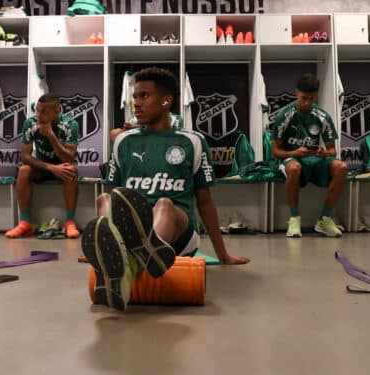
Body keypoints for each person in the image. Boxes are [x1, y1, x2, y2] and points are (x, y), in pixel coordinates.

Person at [81, 67, 250, 311]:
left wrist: (223, 254)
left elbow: (204, 200)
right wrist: (100, 244)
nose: (136, 104)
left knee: (164, 205)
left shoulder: (191, 141)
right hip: (133, 227)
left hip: (178, 232)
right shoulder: (123, 141)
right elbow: (118, 200)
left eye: (144, 96)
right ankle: (119, 255)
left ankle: (125, 264)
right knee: (105, 199)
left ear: (165, 101)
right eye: (135, 97)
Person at [271, 73, 348, 238]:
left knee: (341, 167)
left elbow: (332, 151)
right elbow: (275, 151)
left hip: (315, 160)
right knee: (294, 167)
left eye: (311, 98)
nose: (307, 102)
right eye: (303, 98)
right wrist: (294, 153)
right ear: (296, 93)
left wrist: (324, 153)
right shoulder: (284, 115)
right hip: (291, 159)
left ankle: (324, 219)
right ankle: (294, 219)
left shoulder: (322, 116)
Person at [5, 93, 81, 239]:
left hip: (63, 166)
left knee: (71, 170)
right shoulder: (30, 123)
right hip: (43, 168)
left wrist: (50, 135)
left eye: (44, 112)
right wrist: (51, 168)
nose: (39, 115)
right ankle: (25, 222)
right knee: (24, 170)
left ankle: (70, 222)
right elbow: (25, 156)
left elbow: (69, 157)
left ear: (57, 110)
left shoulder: (71, 125)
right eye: (38, 111)